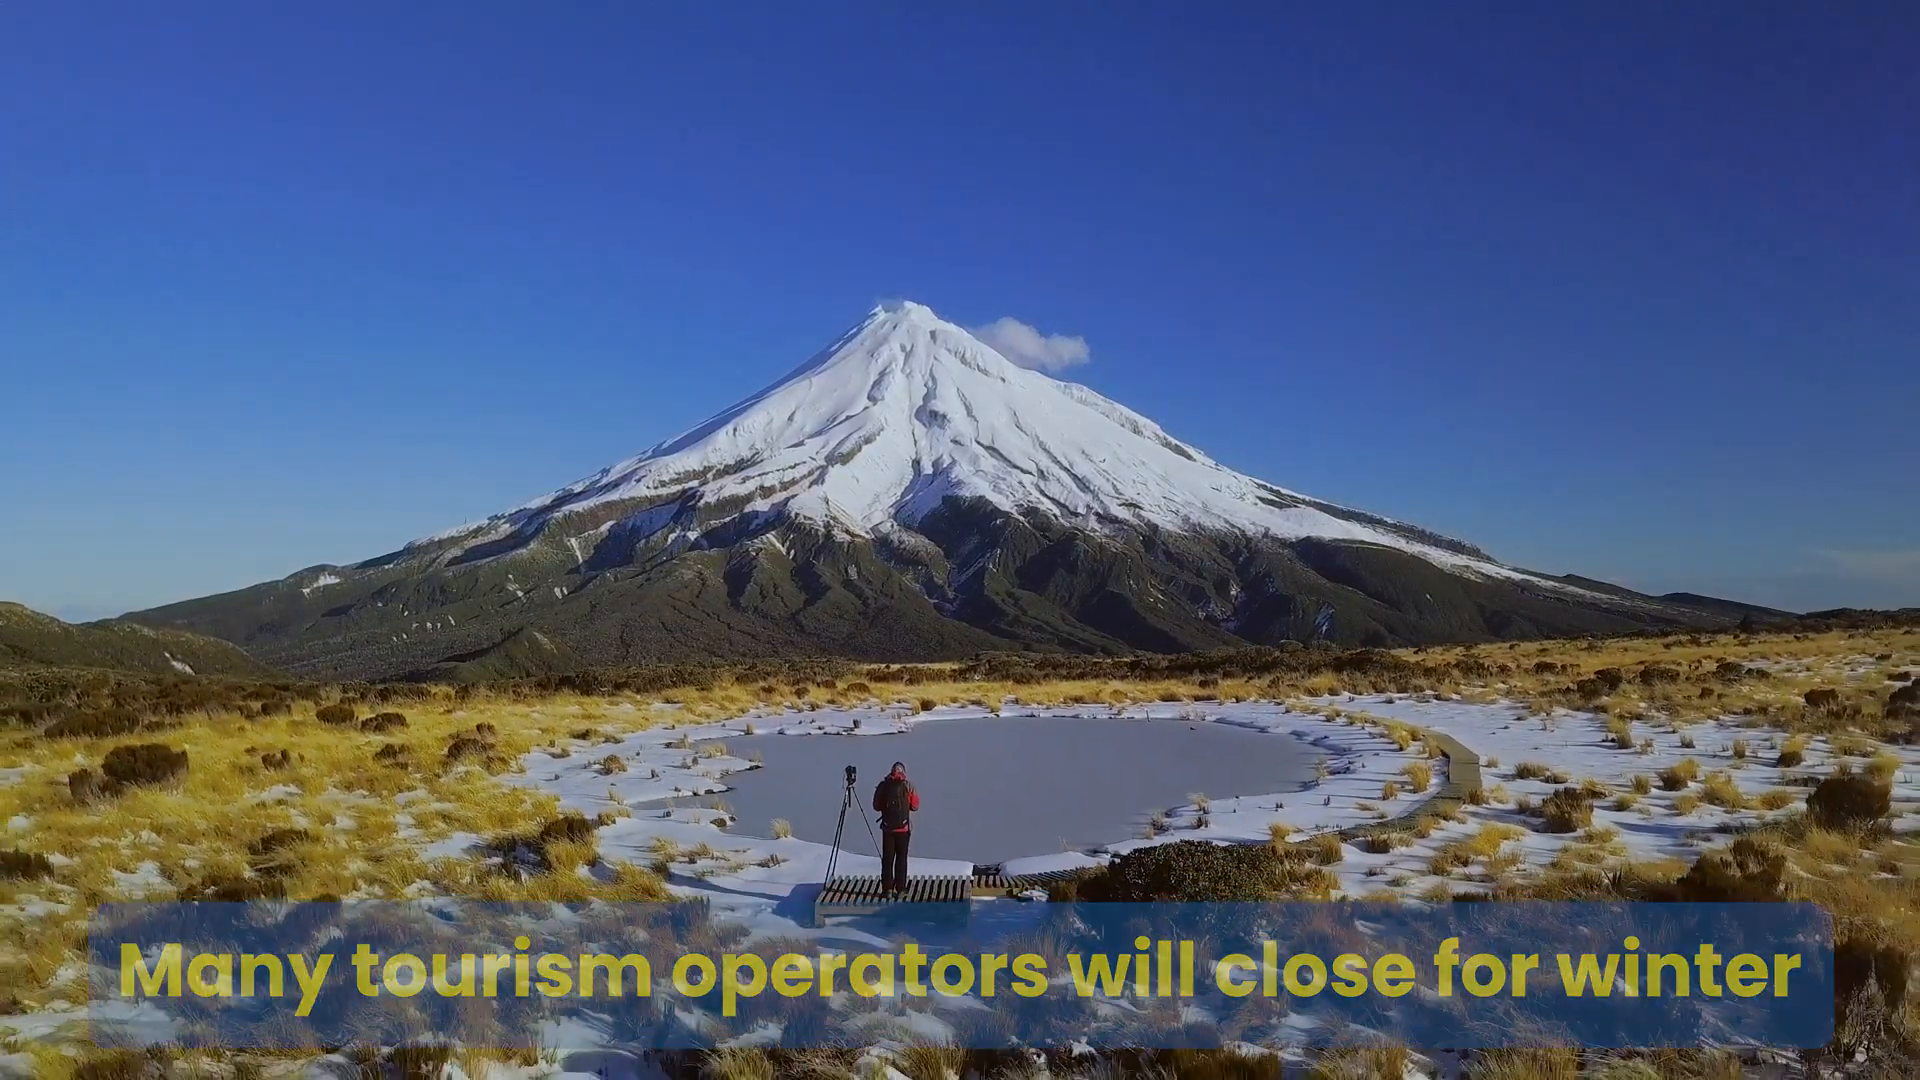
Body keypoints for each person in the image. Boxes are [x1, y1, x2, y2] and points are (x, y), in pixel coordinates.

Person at [872, 761, 919, 898]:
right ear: (903, 772)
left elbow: (876, 806)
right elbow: (915, 806)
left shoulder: (883, 786)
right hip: (904, 829)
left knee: (887, 859)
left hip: (888, 829)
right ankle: (901, 889)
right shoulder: (908, 785)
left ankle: (887, 890)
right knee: (901, 858)